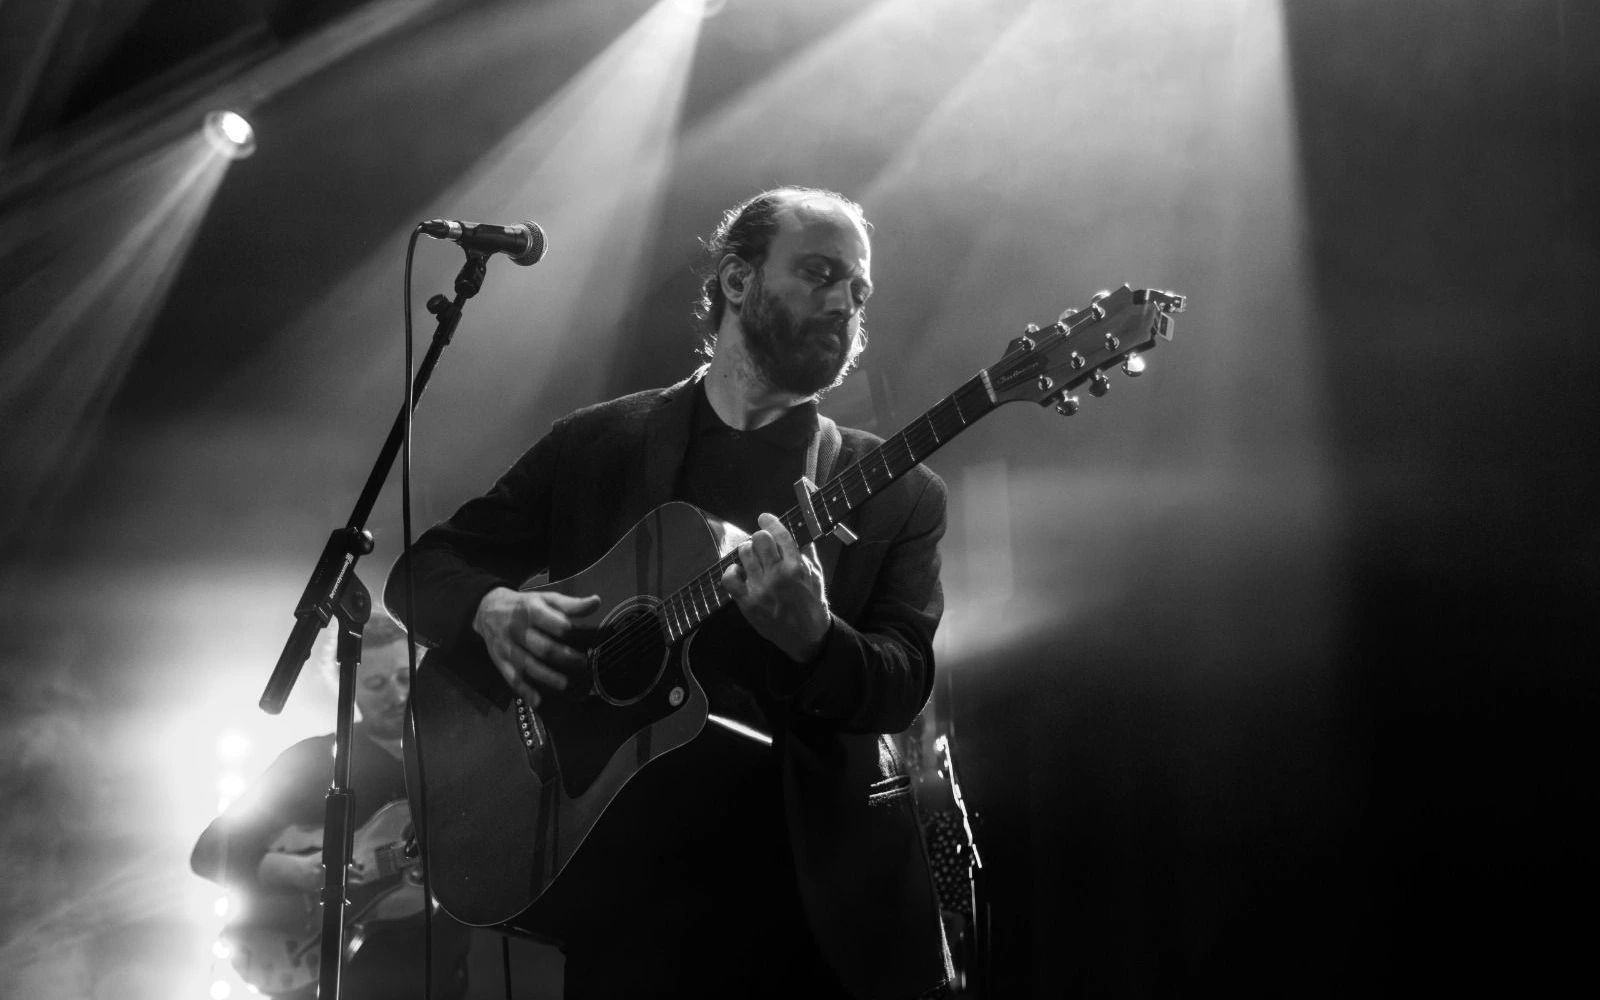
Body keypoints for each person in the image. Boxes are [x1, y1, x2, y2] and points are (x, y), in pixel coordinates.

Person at [387, 186, 953, 999]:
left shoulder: (898, 492)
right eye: (822, 273)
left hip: (801, 913)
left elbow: (901, 684)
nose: (845, 304)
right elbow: (422, 570)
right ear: (734, 280)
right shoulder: (597, 444)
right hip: (622, 911)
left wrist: (815, 639)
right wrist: (492, 609)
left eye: (859, 292)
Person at [190, 614, 471, 1000]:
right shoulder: (315, 760)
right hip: (334, 980)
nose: (395, 694)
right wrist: (295, 870)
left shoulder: (458, 757)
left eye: (406, 678)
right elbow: (209, 851)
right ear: (347, 688)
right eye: (375, 684)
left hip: (439, 978)